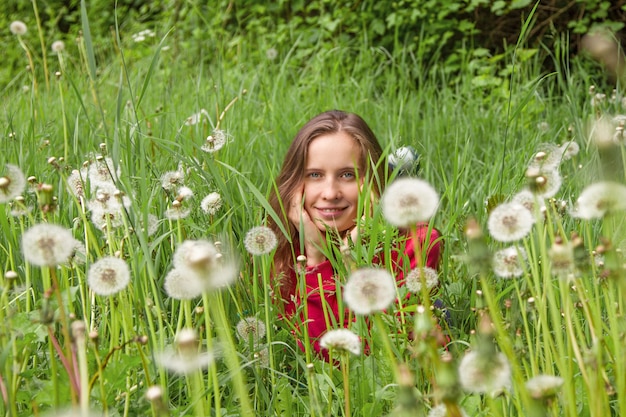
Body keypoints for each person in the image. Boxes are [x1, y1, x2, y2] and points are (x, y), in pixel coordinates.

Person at [267, 110, 442, 356]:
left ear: (370, 182)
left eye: (347, 175)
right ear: (295, 184)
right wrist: (315, 259)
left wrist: (353, 261)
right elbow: (315, 355)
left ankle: (394, 174)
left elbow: (380, 352)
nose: (330, 193)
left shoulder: (416, 244)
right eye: (315, 175)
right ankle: (398, 171)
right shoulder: (284, 248)